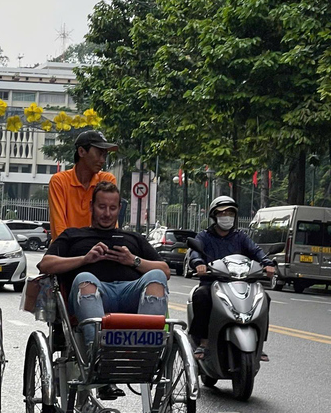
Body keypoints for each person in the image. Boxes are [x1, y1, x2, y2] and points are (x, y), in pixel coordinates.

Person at [39, 182, 169, 400]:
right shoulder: (74, 236)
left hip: (129, 294)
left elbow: (165, 270)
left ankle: (146, 352)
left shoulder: (133, 239)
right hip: (90, 294)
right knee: (85, 278)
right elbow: (45, 265)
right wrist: (84, 259)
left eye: (112, 208)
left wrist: (133, 260)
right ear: (91, 207)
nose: (107, 213)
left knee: (156, 276)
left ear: (119, 209)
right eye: (102, 207)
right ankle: (97, 357)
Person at [188, 196, 274, 361]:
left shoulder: (240, 237)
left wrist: (267, 263)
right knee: (201, 297)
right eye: (222, 213)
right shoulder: (204, 237)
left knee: (264, 298)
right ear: (214, 216)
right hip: (213, 282)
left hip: (240, 282)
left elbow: (256, 251)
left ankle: (260, 343)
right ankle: (203, 342)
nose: (226, 216)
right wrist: (198, 263)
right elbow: (195, 252)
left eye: (230, 213)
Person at [48, 130, 118, 240]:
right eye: (99, 154)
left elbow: (111, 225)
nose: (103, 160)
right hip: (66, 250)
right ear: (81, 151)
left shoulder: (107, 179)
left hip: (98, 249)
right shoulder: (59, 181)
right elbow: (58, 230)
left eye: (105, 155)